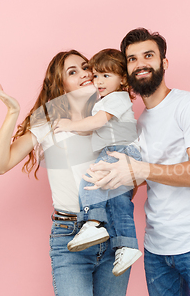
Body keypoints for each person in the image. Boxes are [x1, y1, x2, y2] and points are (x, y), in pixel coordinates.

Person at [83, 29, 190, 296]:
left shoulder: (189, 105)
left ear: (164, 63)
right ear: (126, 71)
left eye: (149, 55)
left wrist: (140, 168)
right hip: (156, 251)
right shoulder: (136, 123)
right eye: (132, 59)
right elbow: (137, 179)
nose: (140, 63)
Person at [0, 50, 130, 296]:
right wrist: (12, 111)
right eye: (72, 72)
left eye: (86, 67)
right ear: (60, 85)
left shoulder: (108, 113)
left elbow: (130, 176)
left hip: (113, 234)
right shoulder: (48, 121)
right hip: (70, 234)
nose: (85, 74)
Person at [54, 48, 143, 276]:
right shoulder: (109, 100)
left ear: (123, 79)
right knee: (118, 203)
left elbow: (97, 122)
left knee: (90, 181)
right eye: (96, 75)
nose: (99, 81)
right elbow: (95, 129)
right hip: (124, 151)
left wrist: (69, 125)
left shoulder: (115, 98)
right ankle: (128, 245)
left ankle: (92, 223)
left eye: (106, 76)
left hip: (118, 151)